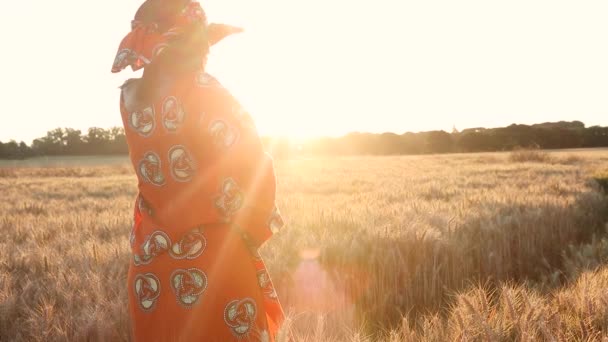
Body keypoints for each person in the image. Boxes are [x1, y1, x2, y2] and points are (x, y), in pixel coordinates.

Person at [111, 1, 285, 340]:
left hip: (150, 268)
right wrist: (252, 230)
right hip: (215, 261)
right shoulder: (204, 90)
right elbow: (256, 168)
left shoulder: (130, 99)